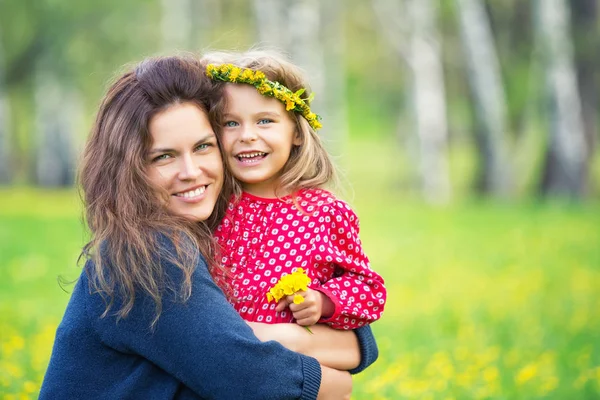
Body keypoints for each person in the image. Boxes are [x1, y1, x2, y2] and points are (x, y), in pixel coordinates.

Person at [40, 55, 377, 400]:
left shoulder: (216, 223)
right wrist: (337, 381)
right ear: (129, 168)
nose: (191, 171)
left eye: (203, 146)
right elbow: (250, 378)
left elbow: (357, 339)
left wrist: (319, 333)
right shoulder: (151, 252)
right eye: (163, 156)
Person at [202, 51, 387, 333]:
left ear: (297, 133)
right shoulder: (210, 204)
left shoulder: (324, 213)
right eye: (230, 123)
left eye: (265, 121)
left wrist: (323, 301)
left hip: (284, 367)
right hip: (213, 361)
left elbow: (369, 290)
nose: (247, 135)